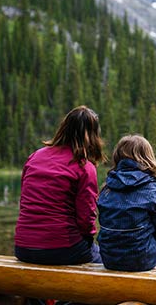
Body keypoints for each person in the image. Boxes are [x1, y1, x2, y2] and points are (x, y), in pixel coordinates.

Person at [14, 106, 105, 265]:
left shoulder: (34, 157)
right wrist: (89, 238)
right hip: (63, 248)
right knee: (106, 260)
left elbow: (25, 202)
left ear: (64, 128)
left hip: (22, 247)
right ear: (92, 136)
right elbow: (86, 219)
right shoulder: (84, 167)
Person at [97, 134, 156, 271]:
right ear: (147, 158)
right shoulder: (151, 187)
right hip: (140, 261)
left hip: (109, 259)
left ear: (118, 156)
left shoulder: (107, 186)